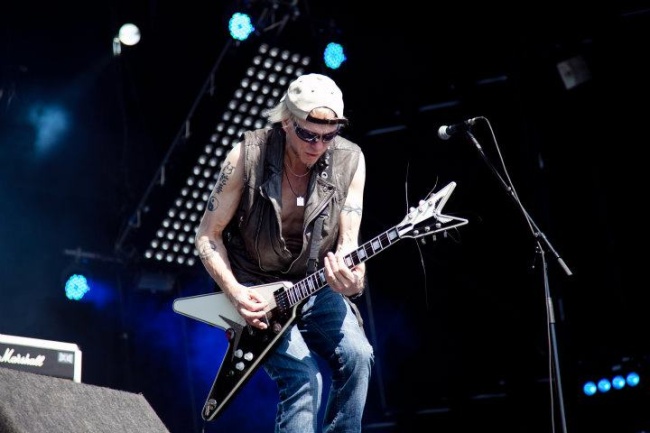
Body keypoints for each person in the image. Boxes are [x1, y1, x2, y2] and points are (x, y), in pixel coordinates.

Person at [194, 73, 374, 432]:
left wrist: (353, 280)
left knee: (359, 357)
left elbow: (348, 245)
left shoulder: (351, 161)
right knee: (305, 379)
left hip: (313, 284)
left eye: (328, 136)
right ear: (287, 122)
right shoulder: (247, 155)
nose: (318, 145)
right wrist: (235, 293)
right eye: (308, 134)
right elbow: (207, 237)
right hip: (254, 288)